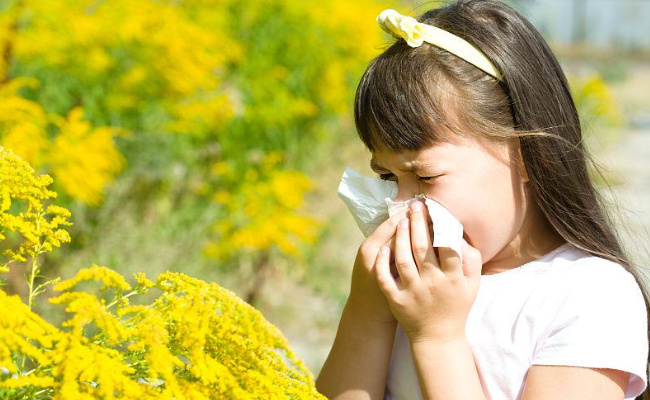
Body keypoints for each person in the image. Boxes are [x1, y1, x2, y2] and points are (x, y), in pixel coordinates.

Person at [315, 1, 650, 399]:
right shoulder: (408, 283)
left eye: (425, 177)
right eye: (387, 177)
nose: (400, 206)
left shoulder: (590, 295)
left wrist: (438, 337)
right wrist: (366, 309)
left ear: (528, 157)